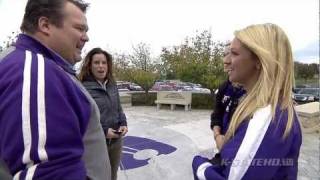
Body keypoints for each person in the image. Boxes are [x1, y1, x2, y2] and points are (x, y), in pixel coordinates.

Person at [0, 0, 111, 179]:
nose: (86, 37)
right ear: (45, 25)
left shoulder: (42, 66)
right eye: (80, 28)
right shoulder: (35, 72)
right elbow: (48, 173)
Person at [193, 23, 302, 180]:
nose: (226, 61)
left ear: (259, 60)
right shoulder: (268, 108)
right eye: (226, 54)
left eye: (234, 53)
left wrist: (199, 164)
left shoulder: (268, 117)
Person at [79, 47, 128, 180]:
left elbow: (118, 108)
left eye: (104, 62)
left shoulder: (112, 84)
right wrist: (105, 131)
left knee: (112, 175)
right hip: (97, 143)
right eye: (96, 62)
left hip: (116, 141)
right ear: (89, 65)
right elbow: (83, 118)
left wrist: (123, 123)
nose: (101, 66)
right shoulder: (82, 87)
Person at [210, 45, 245, 151]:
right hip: (224, 149)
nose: (225, 61)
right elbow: (217, 113)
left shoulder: (254, 93)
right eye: (224, 55)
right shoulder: (224, 88)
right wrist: (217, 136)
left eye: (233, 54)